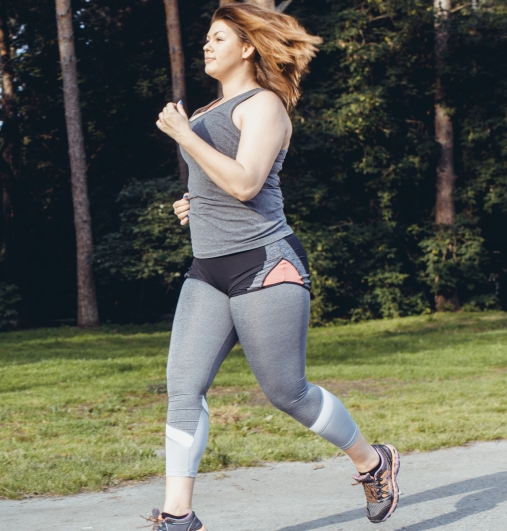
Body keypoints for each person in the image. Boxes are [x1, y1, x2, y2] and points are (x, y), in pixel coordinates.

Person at [149, 4, 400, 530]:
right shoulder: (204, 112)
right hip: (208, 268)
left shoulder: (263, 106)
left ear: (246, 48)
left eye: (218, 38)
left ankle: (373, 462)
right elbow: (222, 186)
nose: (206, 46)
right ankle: (178, 516)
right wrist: (193, 202)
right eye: (206, 38)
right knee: (183, 386)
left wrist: (183, 135)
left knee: (287, 392)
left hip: (264, 263)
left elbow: (246, 183)